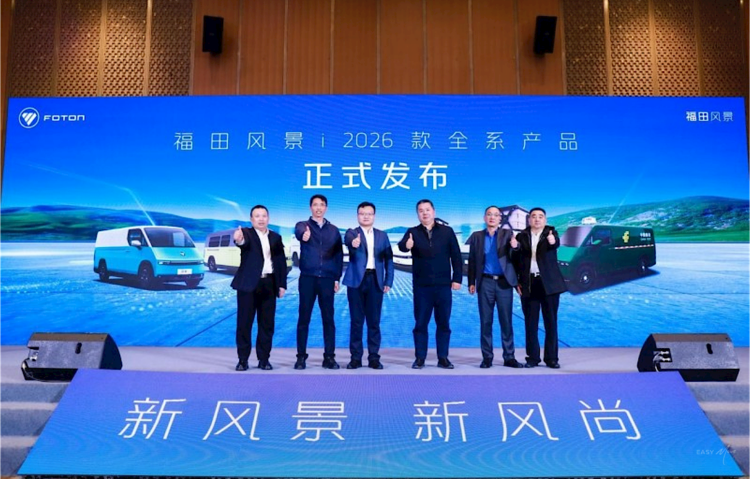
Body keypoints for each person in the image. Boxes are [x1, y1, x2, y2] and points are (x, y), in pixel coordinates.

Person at [397, 199, 462, 369]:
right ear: (417, 214)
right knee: (420, 324)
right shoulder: (412, 232)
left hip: (443, 286)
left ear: (434, 211)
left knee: (444, 323)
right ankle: (420, 358)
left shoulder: (447, 232)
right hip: (422, 287)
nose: (424, 213)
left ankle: (443, 358)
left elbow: (456, 256)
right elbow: (402, 246)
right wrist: (407, 245)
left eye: (427, 209)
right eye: (421, 210)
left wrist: (457, 278)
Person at [231, 205, 288, 371]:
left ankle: (264, 359)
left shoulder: (276, 237)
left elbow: (281, 262)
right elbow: (242, 243)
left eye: (264, 216)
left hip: (269, 284)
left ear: (268, 218)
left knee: (267, 324)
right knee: (244, 323)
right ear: (251, 219)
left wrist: (282, 284)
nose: (261, 219)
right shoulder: (246, 234)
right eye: (257, 216)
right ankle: (243, 360)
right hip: (248, 285)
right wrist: (238, 240)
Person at [467, 206, 523, 369]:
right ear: (484, 218)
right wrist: (471, 282)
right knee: (486, 321)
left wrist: (515, 246)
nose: (492, 217)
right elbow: (472, 260)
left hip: (504, 283)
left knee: (506, 321)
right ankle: (487, 357)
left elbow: (516, 257)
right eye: (489, 214)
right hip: (485, 282)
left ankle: (509, 357)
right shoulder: (477, 236)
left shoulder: (507, 234)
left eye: (495, 215)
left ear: (500, 219)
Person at [294, 194, 344, 370]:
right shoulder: (303, 225)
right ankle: (301, 357)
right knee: (304, 318)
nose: (318, 208)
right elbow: (299, 233)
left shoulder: (334, 230)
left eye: (322, 205)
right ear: (310, 207)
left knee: (328, 319)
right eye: (315, 204)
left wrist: (337, 278)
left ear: (326, 208)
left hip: (327, 280)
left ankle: (329, 357)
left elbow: (339, 256)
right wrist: (304, 235)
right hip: (308, 278)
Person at [342, 202, 394, 370]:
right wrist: (354, 243)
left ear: (374, 216)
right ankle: (355, 358)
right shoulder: (352, 233)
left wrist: (388, 281)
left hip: (375, 281)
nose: (366, 216)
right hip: (356, 281)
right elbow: (348, 241)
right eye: (362, 213)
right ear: (357, 216)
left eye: (369, 214)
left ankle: (374, 358)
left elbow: (389, 259)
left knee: (374, 322)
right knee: (356, 321)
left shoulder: (382, 236)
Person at [514, 207, 567, 369]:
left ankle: (551, 358)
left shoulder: (551, 233)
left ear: (545, 219)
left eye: (540, 216)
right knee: (530, 323)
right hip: (529, 284)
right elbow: (516, 259)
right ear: (529, 219)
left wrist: (553, 241)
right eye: (534, 216)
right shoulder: (521, 236)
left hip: (549, 284)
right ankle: (533, 358)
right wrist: (514, 248)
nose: (537, 219)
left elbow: (555, 243)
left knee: (551, 322)